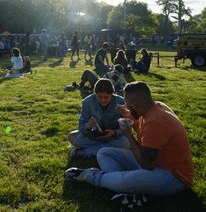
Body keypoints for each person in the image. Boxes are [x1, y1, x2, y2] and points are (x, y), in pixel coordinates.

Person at [65, 81, 194, 196]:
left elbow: (146, 164)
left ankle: (92, 176)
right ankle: (122, 187)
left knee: (126, 178)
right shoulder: (156, 107)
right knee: (104, 152)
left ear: (135, 104)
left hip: (172, 175)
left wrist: (128, 135)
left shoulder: (156, 121)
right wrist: (128, 115)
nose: (125, 105)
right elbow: (142, 129)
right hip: (154, 163)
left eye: (127, 103)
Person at [67, 78, 130, 158]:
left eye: (106, 97)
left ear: (112, 94)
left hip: (113, 138)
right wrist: (88, 125)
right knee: (71, 136)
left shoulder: (120, 102)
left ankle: (86, 152)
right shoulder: (87, 102)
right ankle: (107, 150)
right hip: (92, 139)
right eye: (99, 97)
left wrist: (114, 133)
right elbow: (81, 127)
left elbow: (126, 127)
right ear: (95, 93)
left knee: (126, 142)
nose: (103, 100)